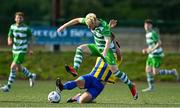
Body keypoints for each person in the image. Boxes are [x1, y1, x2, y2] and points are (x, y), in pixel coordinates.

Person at [57, 13, 138, 99]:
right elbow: (76, 20)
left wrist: (105, 52)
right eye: (88, 25)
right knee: (80, 49)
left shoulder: (104, 27)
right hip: (97, 48)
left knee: (116, 72)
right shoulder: (90, 20)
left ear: (95, 22)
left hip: (107, 51)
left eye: (90, 26)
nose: (89, 28)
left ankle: (131, 85)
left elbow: (107, 41)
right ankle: (75, 69)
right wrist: (63, 26)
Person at [0, 12, 36, 92]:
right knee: (18, 68)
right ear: (15, 19)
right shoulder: (12, 27)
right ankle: (31, 76)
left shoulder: (26, 28)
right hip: (15, 50)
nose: (19, 19)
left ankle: (8, 86)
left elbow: (31, 39)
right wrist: (9, 41)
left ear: (22, 19)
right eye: (17, 18)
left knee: (13, 66)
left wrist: (30, 49)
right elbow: (10, 36)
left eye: (20, 18)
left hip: (22, 50)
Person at [142, 19, 179, 92]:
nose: (147, 26)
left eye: (148, 25)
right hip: (151, 55)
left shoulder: (153, 33)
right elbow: (152, 45)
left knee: (156, 72)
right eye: (145, 25)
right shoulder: (147, 34)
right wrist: (146, 50)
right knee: (148, 70)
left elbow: (159, 43)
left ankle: (172, 72)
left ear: (151, 26)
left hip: (156, 55)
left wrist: (151, 50)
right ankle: (151, 87)